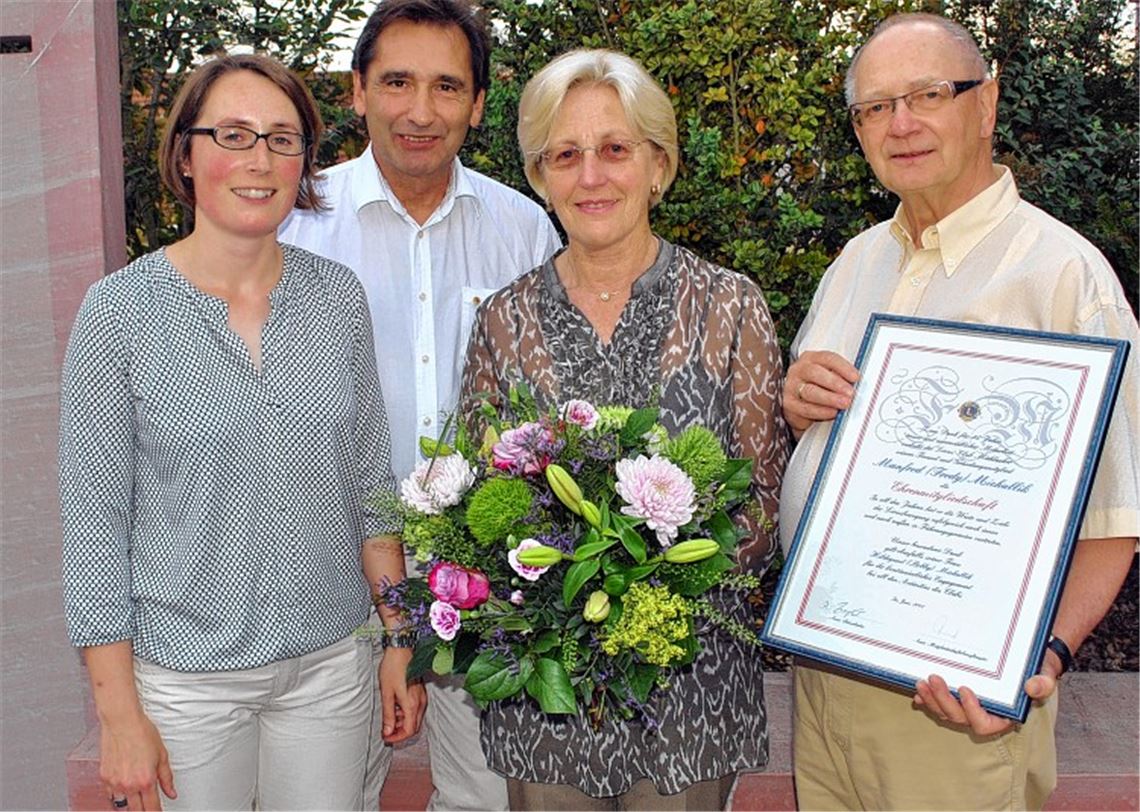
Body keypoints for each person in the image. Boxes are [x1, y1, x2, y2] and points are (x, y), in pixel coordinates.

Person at [779, 12, 1139, 810]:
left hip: (954, 710)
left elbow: (1116, 515)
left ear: (986, 104)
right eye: (875, 108)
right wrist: (799, 401)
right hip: (824, 682)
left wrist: (1042, 654)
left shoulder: (1063, 278)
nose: (900, 124)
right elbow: (816, 425)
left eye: (928, 94)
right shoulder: (856, 261)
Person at [59, 53, 424, 812]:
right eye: (233, 134)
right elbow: (96, 529)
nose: (259, 160)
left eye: (283, 139)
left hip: (330, 671)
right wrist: (118, 715)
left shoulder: (336, 300)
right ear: (186, 156)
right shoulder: (117, 315)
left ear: (304, 163)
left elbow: (370, 487)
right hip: (187, 686)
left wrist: (398, 636)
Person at [459, 48, 789, 810]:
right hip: (548, 695)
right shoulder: (503, 323)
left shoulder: (730, 306)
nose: (592, 175)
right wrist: (558, 594)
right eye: (565, 155)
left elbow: (762, 500)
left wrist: (639, 579)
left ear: (658, 165)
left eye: (614, 149)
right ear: (541, 177)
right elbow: (482, 504)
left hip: (689, 689)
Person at [279, 2, 559, 808]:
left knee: (487, 799)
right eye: (397, 82)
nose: (421, 110)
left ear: (477, 104)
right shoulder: (297, 227)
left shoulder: (524, 232)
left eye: (447, 86)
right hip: (327, 580)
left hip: (484, 581)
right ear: (358, 91)